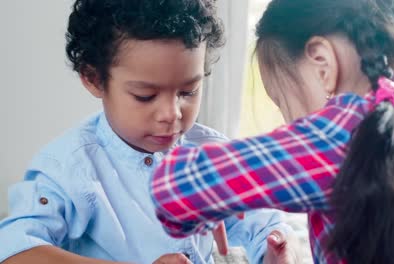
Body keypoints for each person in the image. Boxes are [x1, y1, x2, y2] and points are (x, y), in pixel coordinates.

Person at [151, 0, 394, 263]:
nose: (289, 128)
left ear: (322, 66)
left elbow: (174, 187)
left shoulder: (345, 131)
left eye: (284, 104)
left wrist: (213, 204)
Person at [0, 0, 299, 263]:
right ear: (94, 79)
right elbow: (14, 250)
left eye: (188, 91)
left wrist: (276, 247)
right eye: (145, 96)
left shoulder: (212, 153)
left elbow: (263, 223)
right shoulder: (68, 168)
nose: (172, 114)